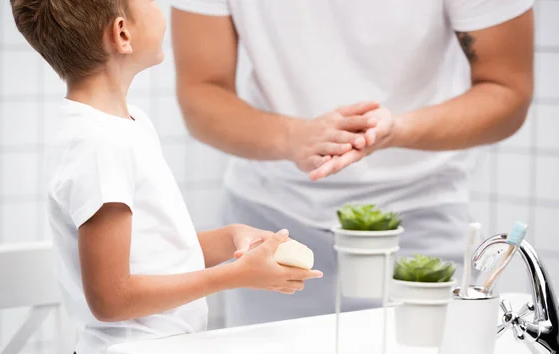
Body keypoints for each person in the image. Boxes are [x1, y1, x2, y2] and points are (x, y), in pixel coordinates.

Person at [10, 0, 323, 354]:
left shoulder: (125, 125)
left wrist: (231, 239)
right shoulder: (99, 145)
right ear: (122, 34)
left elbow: (156, 255)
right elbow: (111, 299)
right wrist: (235, 277)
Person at [171, 0, 534, 327]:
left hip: (421, 218)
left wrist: (400, 130)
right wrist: (290, 137)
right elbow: (201, 92)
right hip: (271, 222)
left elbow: (507, 90)